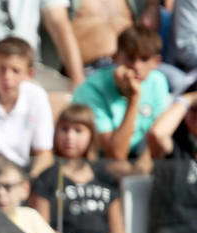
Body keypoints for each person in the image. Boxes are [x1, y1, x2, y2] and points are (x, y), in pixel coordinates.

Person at [30, 104, 124, 233]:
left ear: (91, 135)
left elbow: (118, 231)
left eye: (78, 130)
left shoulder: (106, 176)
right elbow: (41, 231)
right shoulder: (47, 177)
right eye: (64, 129)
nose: (70, 137)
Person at [72, 25, 170, 163]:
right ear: (115, 57)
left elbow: (159, 137)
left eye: (144, 59)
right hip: (101, 164)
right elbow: (116, 154)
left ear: (156, 62)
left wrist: (142, 166)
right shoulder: (91, 89)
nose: (136, 66)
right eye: (130, 58)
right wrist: (133, 99)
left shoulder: (158, 81)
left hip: (144, 161)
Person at [0, 0, 84, 91]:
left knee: (69, 97)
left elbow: (59, 25)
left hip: (28, 70)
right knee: (28, 94)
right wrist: (12, 76)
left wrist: (78, 81)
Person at [0, 37, 53, 174]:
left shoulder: (37, 96)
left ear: (29, 74)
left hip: (21, 174)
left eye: (15, 70)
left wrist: (28, 182)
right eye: (2, 69)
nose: (7, 76)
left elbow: (44, 153)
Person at [146, 80, 197, 233]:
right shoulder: (175, 151)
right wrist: (187, 99)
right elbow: (156, 134)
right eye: (192, 111)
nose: (194, 117)